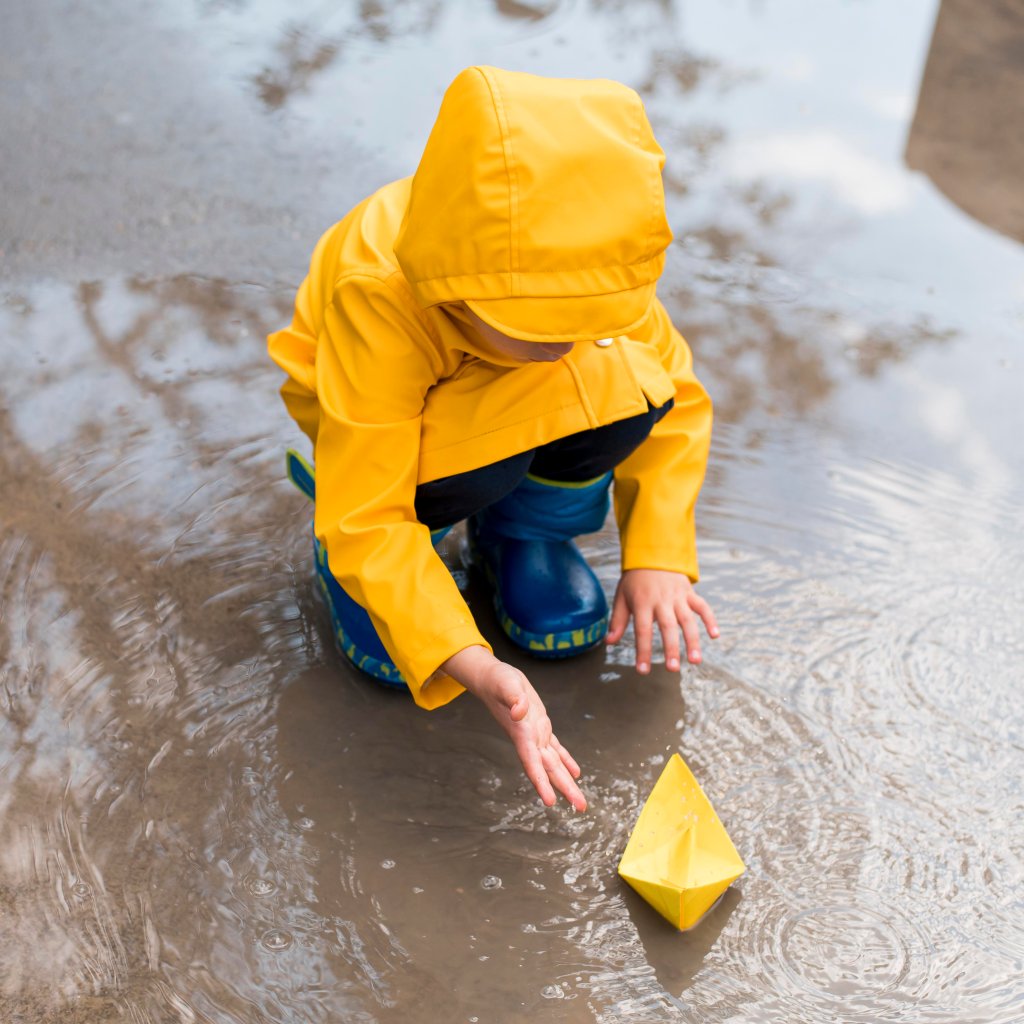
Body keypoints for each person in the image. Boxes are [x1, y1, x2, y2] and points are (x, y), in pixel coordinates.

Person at [267, 65, 718, 813]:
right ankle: (395, 570)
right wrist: (471, 662)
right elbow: (370, 509)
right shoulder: (380, 297)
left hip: (495, 414)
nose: (569, 345)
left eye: (590, 322)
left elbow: (676, 403)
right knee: (421, 527)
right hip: (397, 434)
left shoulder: (592, 259)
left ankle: (526, 535)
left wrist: (659, 553)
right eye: (541, 326)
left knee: (633, 384)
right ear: (456, 283)